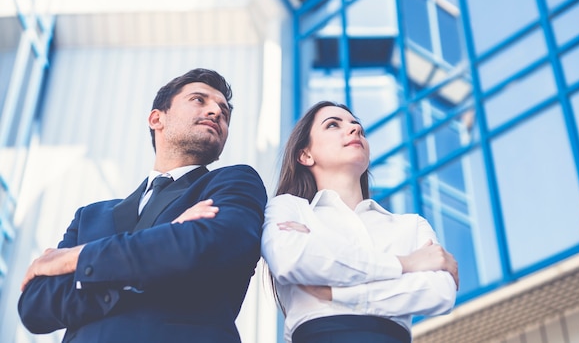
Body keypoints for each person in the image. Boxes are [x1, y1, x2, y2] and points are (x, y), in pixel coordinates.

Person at [18, 68, 267, 343]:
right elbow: (35, 307)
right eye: (199, 100)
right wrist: (168, 239)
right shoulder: (90, 216)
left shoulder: (235, 182)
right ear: (156, 118)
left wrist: (76, 259)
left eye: (224, 111)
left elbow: (214, 245)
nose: (216, 112)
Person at [261, 101, 459, 343]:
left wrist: (337, 292)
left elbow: (440, 293)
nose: (355, 130)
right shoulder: (289, 208)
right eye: (333, 125)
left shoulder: (411, 225)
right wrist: (406, 263)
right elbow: (291, 260)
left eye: (358, 127)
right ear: (305, 154)